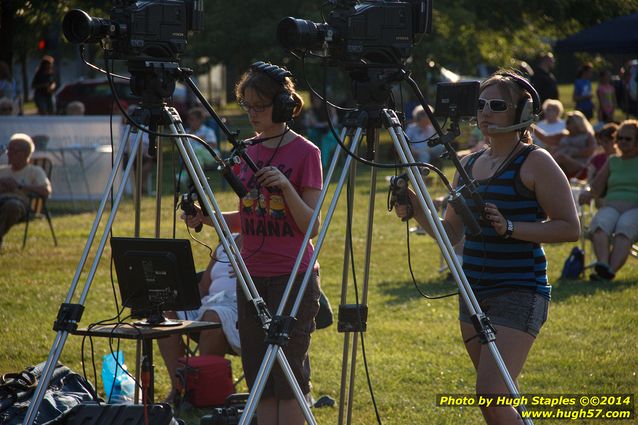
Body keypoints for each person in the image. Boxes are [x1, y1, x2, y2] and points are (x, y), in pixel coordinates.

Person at [394, 71, 579, 425]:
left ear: (522, 112)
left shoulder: (535, 161)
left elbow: (570, 228)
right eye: (480, 105)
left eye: (497, 105)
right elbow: (450, 234)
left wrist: (510, 227)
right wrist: (416, 206)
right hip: (473, 292)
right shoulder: (468, 163)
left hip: (519, 290)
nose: (486, 112)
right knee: (498, 395)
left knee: (491, 394)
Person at [183, 62, 322, 425]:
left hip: (292, 279)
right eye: (247, 106)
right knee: (262, 381)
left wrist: (286, 187)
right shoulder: (247, 150)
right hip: (251, 280)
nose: (253, 114)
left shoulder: (306, 153)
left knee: (287, 380)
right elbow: (248, 214)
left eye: (259, 106)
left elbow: (313, 225)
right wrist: (207, 217)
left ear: (283, 105)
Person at [157, 235, 242, 403]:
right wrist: (179, 300)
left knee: (213, 316)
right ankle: (179, 389)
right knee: (164, 315)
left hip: (240, 308)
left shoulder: (264, 242)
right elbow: (204, 285)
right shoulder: (228, 241)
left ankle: (205, 391)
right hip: (210, 302)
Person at [578, 120, 638, 281]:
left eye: (628, 139)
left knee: (624, 229)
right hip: (611, 206)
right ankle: (603, 265)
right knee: (599, 226)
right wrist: (587, 193)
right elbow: (596, 187)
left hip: (635, 209)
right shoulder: (612, 161)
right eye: (619, 138)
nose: (622, 142)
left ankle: (608, 272)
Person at [0, 133, 52, 249]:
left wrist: (18, 187)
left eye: (13, 150)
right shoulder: (2, 171)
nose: (9, 153)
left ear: (25, 153)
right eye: (8, 150)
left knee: (11, 206)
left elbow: (46, 190)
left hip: (22, 206)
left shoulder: (35, 171)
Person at [533, 110, 596, 180]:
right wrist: (532, 126)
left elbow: (590, 151)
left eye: (568, 122)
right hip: (563, 165)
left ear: (577, 123)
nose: (566, 124)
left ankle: (540, 171)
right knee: (553, 156)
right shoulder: (564, 135)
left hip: (580, 167)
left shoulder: (587, 136)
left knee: (561, 157)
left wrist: (572, 152)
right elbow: (546, 138)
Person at [177, 107, 219, 190]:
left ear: (200, 120)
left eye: (192, 119)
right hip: (195, 158)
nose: (189, 121)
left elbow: (213, 145)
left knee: (196, 150)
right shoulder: (186, 132)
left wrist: (198, 138)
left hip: (211, 156)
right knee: (197, 157)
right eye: (188, 119)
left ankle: (185, 177)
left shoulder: (208, 131)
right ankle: (200, 184)